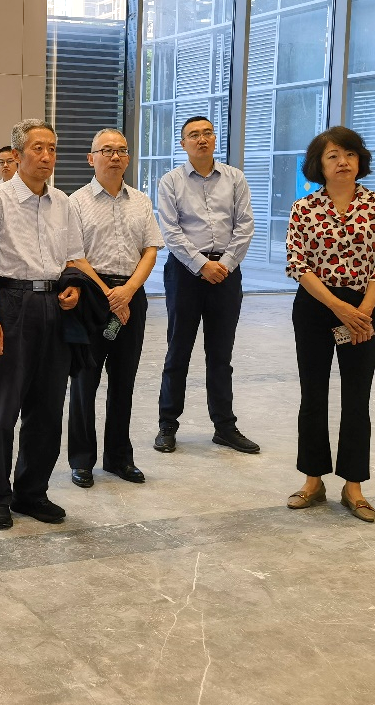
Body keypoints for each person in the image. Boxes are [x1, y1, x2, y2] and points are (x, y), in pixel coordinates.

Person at [0, 119, 86, 530]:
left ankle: (31, 492)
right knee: (5, 409)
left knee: (48, 408)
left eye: (52, 149)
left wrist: (72, 287)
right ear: (17, 155)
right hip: (11, 303)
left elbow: (72, 258)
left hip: (54, 306)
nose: (47, 156)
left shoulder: (63, 202)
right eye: (38, 148)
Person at [284, 126, 375, 523]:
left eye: (349, 154)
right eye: (332, 155)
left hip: (364, 307)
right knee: (313, 395)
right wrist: (338, 308)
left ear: (360, 160)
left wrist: (361, 311)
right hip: (316, 307)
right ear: (320, 165)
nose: (343, 162)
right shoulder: (304, 208)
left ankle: (354, 486)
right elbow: (297, 263)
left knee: (357, 397)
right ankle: (313, 480)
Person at [153, 116, 260, 456]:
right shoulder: (170, 181)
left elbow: (245, 225)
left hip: (226, 274)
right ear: (183, 143)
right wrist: (201, 265)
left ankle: (224, 427)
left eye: (207, 133)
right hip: (185, 273)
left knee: (221, 354)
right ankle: (168, 425)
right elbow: (170, 231)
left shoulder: (235, 178)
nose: (202, 139)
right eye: (194, 135)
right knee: (178, 350)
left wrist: (224, 265)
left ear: (214, 139)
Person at [66, 129, 162, 488]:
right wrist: (110, 295)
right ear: (91, 158)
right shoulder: (75, 202)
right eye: (106, 150)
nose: (115, 156)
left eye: (121, 150)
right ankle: (82, 460)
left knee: (124, 381)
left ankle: (119, 458)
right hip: (92, 295)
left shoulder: (140, 201)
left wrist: (129, 291)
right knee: (84, 382)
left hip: (132, 293)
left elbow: (151, 249)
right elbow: (74, 255)